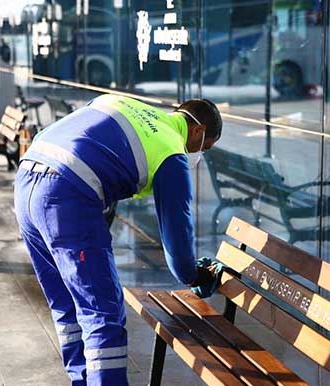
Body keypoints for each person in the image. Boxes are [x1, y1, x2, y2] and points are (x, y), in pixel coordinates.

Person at [14, 94, 225, 386]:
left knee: (66, 302)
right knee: (103, 313)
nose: (200, 154)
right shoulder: (172, 152)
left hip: (27, 180)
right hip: (66, 194)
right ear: (199, 131)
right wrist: (193, 275)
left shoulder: (125, 103)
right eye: (206, 147)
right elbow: (178, 234)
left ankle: (82, 380)